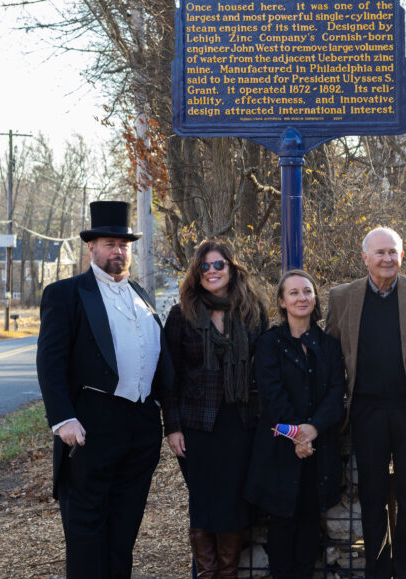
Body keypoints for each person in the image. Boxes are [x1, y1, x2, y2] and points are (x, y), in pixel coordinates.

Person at [36, 200, 173, 578]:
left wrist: (167, 420)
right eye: (110, 243)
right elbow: (50, 363)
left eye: (124, 244)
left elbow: (159, 362)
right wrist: (63, 418)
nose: (118, 251)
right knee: (86, 534)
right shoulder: (65, 294)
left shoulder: (142, 296)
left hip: (141, 428)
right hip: (91, 427)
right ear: (92, 247)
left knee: (123, 534)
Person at [325, 226, 406, 579]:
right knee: (373, 499)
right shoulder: (343, 297)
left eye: (393, 252)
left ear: (402, 256)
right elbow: (333, 356)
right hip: (365, 413)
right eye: (379, 253)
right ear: (364, 257)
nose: (387, 258)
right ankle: (377, 572)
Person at [162, 240, 268, 579]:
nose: (211, 272)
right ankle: (207, 574)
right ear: (196, 272)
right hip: (197, 427)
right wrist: (173, 426)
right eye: (204, 266)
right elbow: (168, 377)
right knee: (204, 504)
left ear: (232, 268)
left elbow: (264, 368)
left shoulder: (252, 312)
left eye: (218, 265)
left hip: (241, 422)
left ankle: (228, 573)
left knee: (235, 503)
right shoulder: (182, 314)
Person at [245, 269, 346, 579]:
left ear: (315, 298)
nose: (302, 297)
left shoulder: (328, 344)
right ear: (282, 301)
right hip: (279, 448)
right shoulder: (269, 343)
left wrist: (312, 431)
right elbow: (271, 395)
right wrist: (297, 436)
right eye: (294, 293)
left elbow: (336, 393)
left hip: (319, 447)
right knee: (282, 521)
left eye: (307, 292)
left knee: (309, 521)